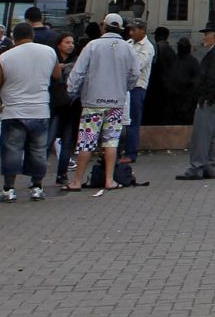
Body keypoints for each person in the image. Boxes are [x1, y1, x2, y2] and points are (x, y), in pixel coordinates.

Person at [62, 12, 138, 194]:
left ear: (103, 26)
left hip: (93, 101)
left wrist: (71, 90)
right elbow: (134, 74)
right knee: (111, 141)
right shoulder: (127, 48)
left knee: (86, 141)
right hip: (116, 102)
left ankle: (77, 180)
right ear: (120, 28)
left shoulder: (92, 46)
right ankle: (109, 180)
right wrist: (125, 87)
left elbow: (78, 72)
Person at [0, 21, 55, 202]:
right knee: (38, 151)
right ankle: (37, 187)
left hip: (14, 111)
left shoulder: (6, 57)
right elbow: (56, 75)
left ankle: (9, 190)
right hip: (40, 109)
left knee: (12, 150)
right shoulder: (49, 52)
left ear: (14, 38)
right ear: (32, 35)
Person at [180, 21, 215, 180]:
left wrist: (206, 97)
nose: (204, 38)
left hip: (209, 100)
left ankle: (197, 166)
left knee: (202, 135)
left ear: (214, 36)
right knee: (210, 134)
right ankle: (209, 165)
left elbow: (213, 78)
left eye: (206, 35)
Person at [116, 19, 155, 186]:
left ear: (142, 30)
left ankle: (131, 152)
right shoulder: (127, 43)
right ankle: (116, 151)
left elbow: (137, 66)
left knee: (133, 120)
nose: (131, 33)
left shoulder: (147, 47)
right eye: (130, 30)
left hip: (137, 87)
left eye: (134, 30)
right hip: (123, 86)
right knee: (119, 120)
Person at [45, 30, 80, 185]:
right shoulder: (51, 59)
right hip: (55, 105)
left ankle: (62, 174)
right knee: (48, 140)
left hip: (70, 107)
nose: (70, 45)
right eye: (67, 42)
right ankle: (38, 174)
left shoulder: (77, 61)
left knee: (66, 142)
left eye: (72, 42)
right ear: (59, 44)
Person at [165, 37, 200, 126]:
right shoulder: (175, 59)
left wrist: (188, 83)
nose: (180, 48)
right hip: (173, 97)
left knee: (185, 122)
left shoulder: (193, 61)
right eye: (179, 46)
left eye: (182, 46)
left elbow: (197, 80)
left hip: (186, 99)